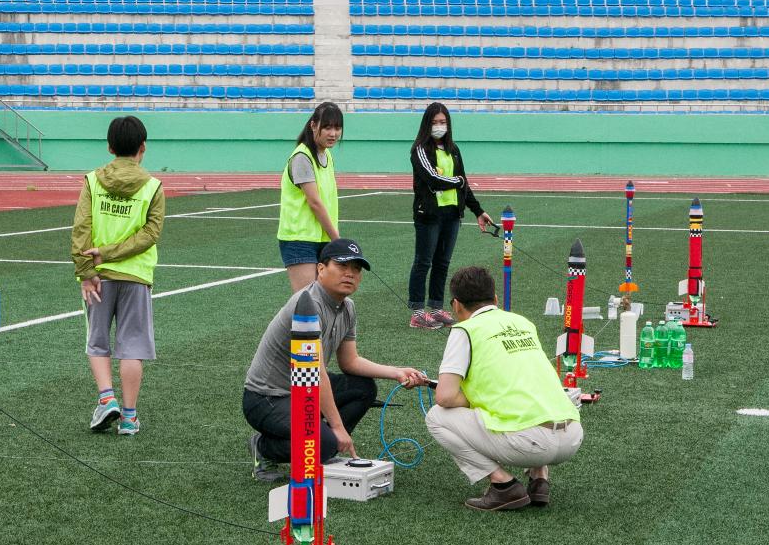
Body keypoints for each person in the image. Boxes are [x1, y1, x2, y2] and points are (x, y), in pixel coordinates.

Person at [243, 238, 426, 482]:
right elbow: (316, 373)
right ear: (320, 269)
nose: (350, 274)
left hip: (303, 390)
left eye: (356, 269)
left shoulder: (347, 307)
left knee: (363, 387)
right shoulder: (307, 304)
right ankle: (265, 447)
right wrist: (337, 427)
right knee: (322, 443)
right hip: (267, 398)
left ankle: (326, 446)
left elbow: (350, 362)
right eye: (342, 266)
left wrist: (397, 372)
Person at [425, 266, 584, 511]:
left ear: (456, 305)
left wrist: (474, 399)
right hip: (572, 435)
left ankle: (503, 486)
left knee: (437, 416)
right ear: (496, 299)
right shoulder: (522, 322)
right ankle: (539, 479)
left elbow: (445, 396)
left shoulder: (465, 329)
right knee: (528, 394)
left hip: (532, 444)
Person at [71, 115, 164, 437]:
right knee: (132, 346)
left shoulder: (93, 181)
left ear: (110, 147)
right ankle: (128, 417)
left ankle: (106, 397)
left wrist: (87, 271)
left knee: (97, 342)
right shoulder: (153, 186)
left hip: (98, 275)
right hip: (136, 275)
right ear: (143, 148)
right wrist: (113, 253)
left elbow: (81, 229)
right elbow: (151, 234)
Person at [408, 102, 496, 329]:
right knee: (423, 261)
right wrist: (457, 181)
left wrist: (478, 210)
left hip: (451, 215)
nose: (439, 126)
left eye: (443, 122)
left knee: (442, 262)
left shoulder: (453, 149)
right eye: (435, 122)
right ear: (427, 124)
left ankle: (436, 308)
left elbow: (464, 186)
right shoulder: (420, 149)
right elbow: (433, 179)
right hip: (428, 214)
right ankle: (418, 312)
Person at [277, 101, 343, 292]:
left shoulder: (327, 156)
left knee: (323, 302)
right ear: (313, 125)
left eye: (337, 128)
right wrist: (337, 239)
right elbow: (314, 202)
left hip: (322, 239)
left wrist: (331, 239)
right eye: (327, 127)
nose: (333, 133)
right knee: (307, 302)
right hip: (299, 239)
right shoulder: (302, 157)